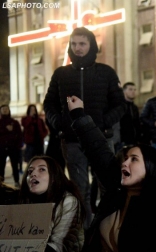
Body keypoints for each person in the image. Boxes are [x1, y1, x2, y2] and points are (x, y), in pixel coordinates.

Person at [66, 95, 156, 252]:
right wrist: (79, 115)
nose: (124, 163)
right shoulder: (116, 190)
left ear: (151, 167)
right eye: (126, 158)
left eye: (134, 159)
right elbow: (98, 150)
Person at [43, 27, 126, 228]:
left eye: (82, 43)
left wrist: (103, 123)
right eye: (74, 44)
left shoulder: (106, 72)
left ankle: (109, 230)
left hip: (101, 139)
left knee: (107, 186)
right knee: (80, 189)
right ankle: (85, 233)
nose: (78, 48)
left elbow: (120, 105)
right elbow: (49, 104)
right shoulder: (60, 74)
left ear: (91, 46)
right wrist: (60, 123)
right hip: (71, 141)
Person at [19, 155, 85, 252]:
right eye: (30, 171)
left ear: (54, 177)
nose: (33, 174)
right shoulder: (25, 202)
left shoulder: (68, 200)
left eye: (41, 169)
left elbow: (60, 245)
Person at [118, 82, 146, 150]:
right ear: (124, 91)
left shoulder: (135, 108)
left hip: (135, 142)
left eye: (134, 89)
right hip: (123, 142)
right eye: (130, 89)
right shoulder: (119, 107)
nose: (133, 92)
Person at [0, 105, 23, 187]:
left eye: (6, 109)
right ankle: (1, 182)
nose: (5, 110)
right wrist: (5, 129)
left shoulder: (14, 122)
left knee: (14, 165)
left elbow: (19, 134)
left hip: (13, 147)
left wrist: (19, 145)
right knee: (1, 165)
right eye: (3, 109)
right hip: (2, 147)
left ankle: (16, 181)